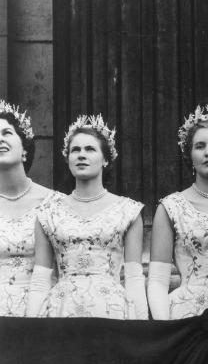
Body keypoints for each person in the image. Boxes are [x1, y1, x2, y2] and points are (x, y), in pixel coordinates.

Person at [26, 114, 147, 319]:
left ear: (106, 159)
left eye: (90, 149)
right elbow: (40, 280)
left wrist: (143, 328)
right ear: (68, 159)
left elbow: (134, 278)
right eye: (76, 150)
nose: (82, 155)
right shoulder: (48, 212)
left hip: (111, 311)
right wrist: (31, 328)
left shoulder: (128, 210)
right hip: (61, 311)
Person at [147, 104, 208, 319]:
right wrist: (165, 330)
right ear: (190, 156)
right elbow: (158, 281)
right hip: (186, 312)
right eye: (200, 146)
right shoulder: (171, 207)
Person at [0, 101, 62, 316]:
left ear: (25, 148)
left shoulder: (56, 203)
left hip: (46, 311)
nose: (0, 138)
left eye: (7, 132)